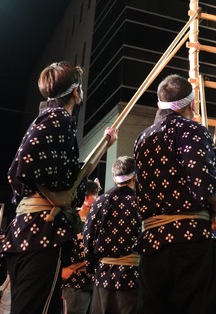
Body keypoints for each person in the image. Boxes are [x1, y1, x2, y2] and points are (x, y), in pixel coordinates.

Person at [0, 61, 117, 314]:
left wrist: (103, 146)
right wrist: (57, 197)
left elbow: (65, 174)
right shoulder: (60, 118)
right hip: (41, 232)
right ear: (76, 92)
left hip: (24, 230)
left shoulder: (44, 119)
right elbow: (27, 165)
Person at [133, 73, 216, 314]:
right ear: (192, 104)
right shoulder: (192, 130)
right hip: (191, 243)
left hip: (152, 244)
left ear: (159, 105)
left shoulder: (142, 138)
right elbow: (203, 182)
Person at [82, 156, 141, 314]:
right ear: (135, 177)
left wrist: (91, 267)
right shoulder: (141, 201)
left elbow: (88, 236)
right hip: (132, 276)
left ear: (115, 179)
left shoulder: (100, 201)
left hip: (103, 274)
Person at [61, 178, 101, 314]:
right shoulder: (71, 218)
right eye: (94, 194)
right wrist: (63, 269)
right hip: (74, 279)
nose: (97, 198)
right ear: (86, 197)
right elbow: (63, 247)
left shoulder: (97, 220)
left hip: (93, 280)